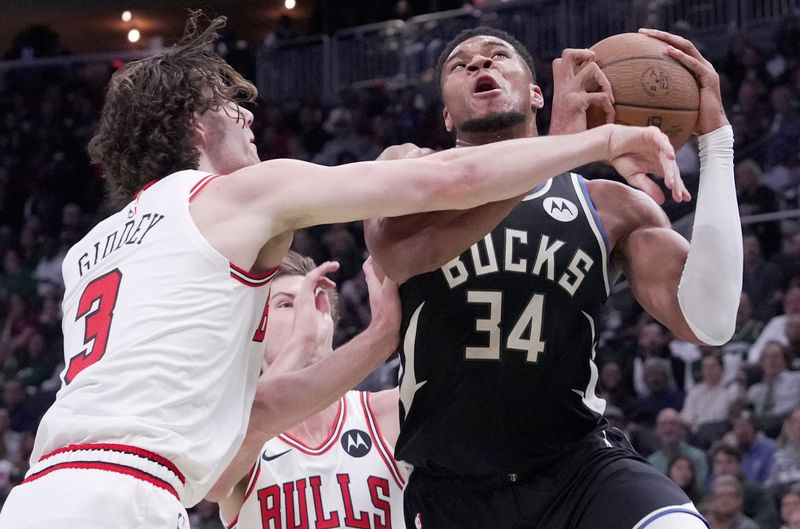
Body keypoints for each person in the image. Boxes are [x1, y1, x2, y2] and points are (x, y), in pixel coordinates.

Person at [0, 14, 682, 529]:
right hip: (128, 496)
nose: (248, 114)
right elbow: (447, 179)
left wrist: (380, 338)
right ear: (198, 122)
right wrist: (593, 140)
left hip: (38, 492)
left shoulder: (90, 250)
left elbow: (259, 410)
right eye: (230, 103)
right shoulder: (239, 195)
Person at [366, 26, 742, 529]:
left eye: (498, 56)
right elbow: (398, 254)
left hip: (579, 470)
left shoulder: (609, 207)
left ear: (538, 94)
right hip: (450, 489)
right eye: (461, 64)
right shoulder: (407, 166)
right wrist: (561, 145)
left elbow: (712, 322)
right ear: (447, 115)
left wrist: (716, 142)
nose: (480, 65)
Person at [212, 251, 405, 528]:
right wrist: (300, 344)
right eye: (287, 305)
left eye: (315, 301)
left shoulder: (386, 413)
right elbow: (214, 483)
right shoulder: (232, 432)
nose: (307, 313)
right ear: (254, 332)